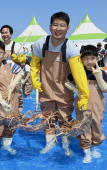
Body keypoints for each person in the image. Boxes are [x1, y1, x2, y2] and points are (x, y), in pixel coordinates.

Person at [31, 12, 89, 155]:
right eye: (56, 25)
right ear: (50, 27)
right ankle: (49, 145)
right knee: (48, 119)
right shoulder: (40, 44)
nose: (58, 28)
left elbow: (79, 73)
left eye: (62, 25)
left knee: (65, 120)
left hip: (64, 91)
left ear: (67, 29)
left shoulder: (71, 47)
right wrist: (34, 79)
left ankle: (66, 147)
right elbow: (34, 65)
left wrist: (84, 94)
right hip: (46, 89)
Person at [67, 45, 107, 163]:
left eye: (92, 58)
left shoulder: (102, 72)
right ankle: (87, 152)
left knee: (97, 126)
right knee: (84, 127)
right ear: (81, 59)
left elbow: (104, 89)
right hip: (82, 105)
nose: (89, 61)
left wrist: (98, 75)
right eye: (86, 59)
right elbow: (67, 82)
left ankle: (94, 148)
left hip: (98, 104)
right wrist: (75, 90)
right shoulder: (78, 73)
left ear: (97, 59)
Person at [0, 25, 26, 112]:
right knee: (4, 93)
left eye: (6, 32)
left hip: (15, 74)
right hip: (2, 74)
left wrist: (17, 58)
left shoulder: (17, 45)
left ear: (11, 34)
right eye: (3, 33)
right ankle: (5, 111)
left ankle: (19, 112)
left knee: (17, 93)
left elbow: (23, 62)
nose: (4, 34)